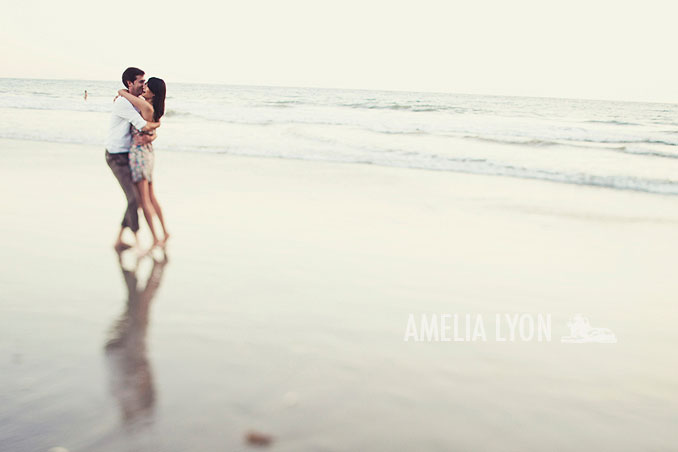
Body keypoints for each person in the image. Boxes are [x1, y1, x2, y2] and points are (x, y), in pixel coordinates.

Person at [106, 67, 160, 250]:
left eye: (145, 82)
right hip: (116, 156)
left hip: (128, 154)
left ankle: (119, 238)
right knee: (134, 199)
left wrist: (153, 136)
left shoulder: (134, 101)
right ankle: (137, 242)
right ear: (130, 83)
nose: (144, 85)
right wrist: (157, 126)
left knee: (134, 199)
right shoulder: (123, 103)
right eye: (140, 82)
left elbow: (146, 127)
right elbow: (143, 125)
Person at [117, 77, 169, 248]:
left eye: (147, 86)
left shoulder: (146, 106)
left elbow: (123, 93)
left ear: (154, 92)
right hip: (147, 154)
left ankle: (155, 238)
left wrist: (121, 93)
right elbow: (154, 125)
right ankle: (164, 232)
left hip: (139, 155)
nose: (144, 88)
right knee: (151, 197)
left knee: (144, 200)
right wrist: (154, 133)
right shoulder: (152, 107)